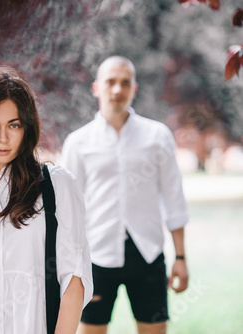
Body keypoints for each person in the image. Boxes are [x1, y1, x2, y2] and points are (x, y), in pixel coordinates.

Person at [0, 66, 93, 334]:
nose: (3, 138)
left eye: (14, 125)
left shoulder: (56, 186)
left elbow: (74, 279)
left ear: (27, 128)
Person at [60, 56, 189, 334]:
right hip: (95, 258)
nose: (117, 90)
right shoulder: (78, 142)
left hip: (148, 255)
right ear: (96, 87)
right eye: (110, 82)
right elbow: (67, 210)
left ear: (135, 88)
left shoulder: (158, 136)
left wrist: (181, 258)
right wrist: (69, 269)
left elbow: (173, 197)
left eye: (125, 83)